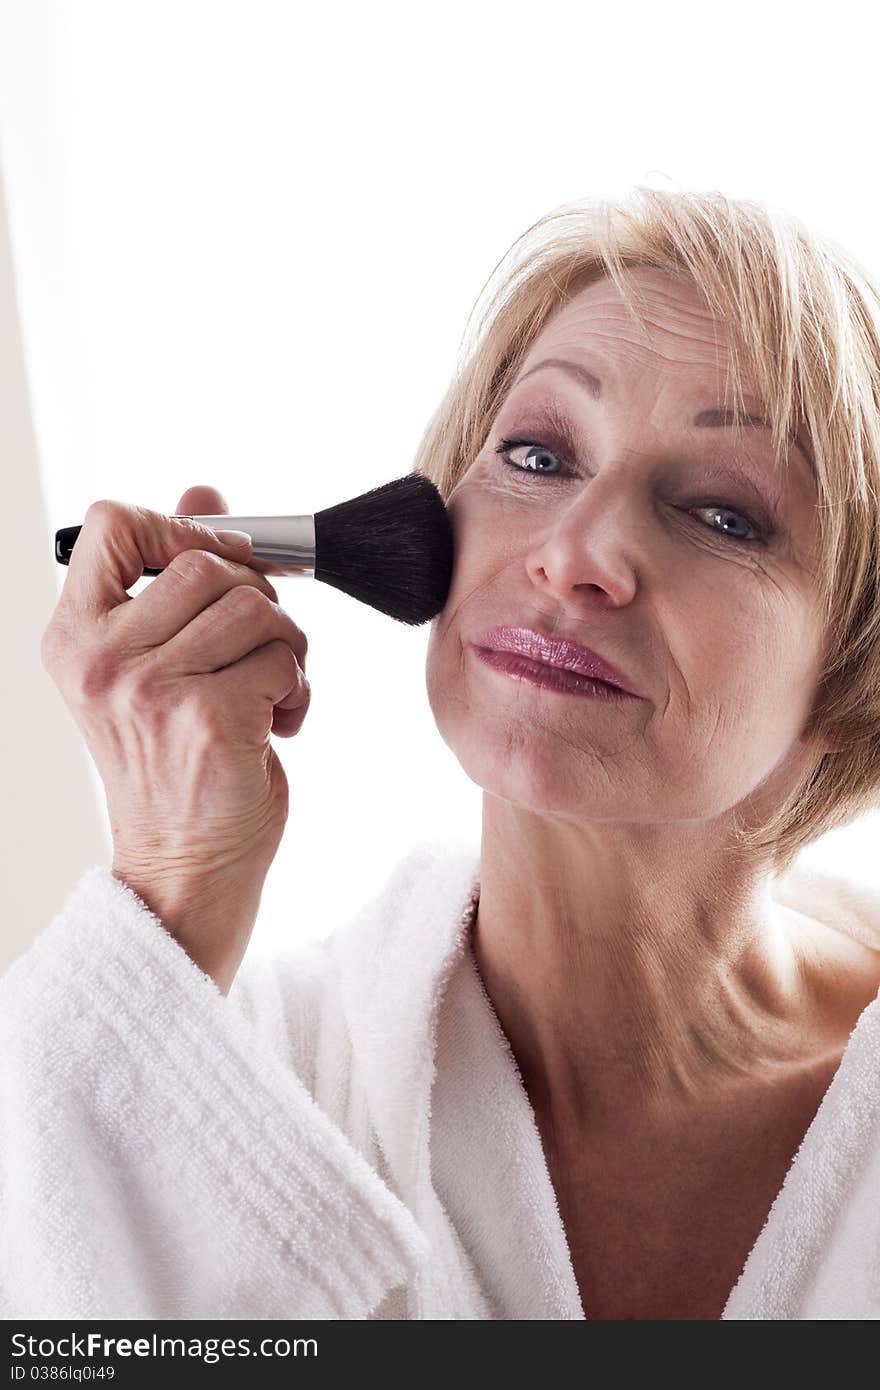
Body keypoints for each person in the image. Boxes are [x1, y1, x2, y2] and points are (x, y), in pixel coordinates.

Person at [4, 187, 880, 1321]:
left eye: (722, 514)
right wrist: (169, 890)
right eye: (535, 453)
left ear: (851, 665)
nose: (575, 554)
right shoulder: (232, 1085)